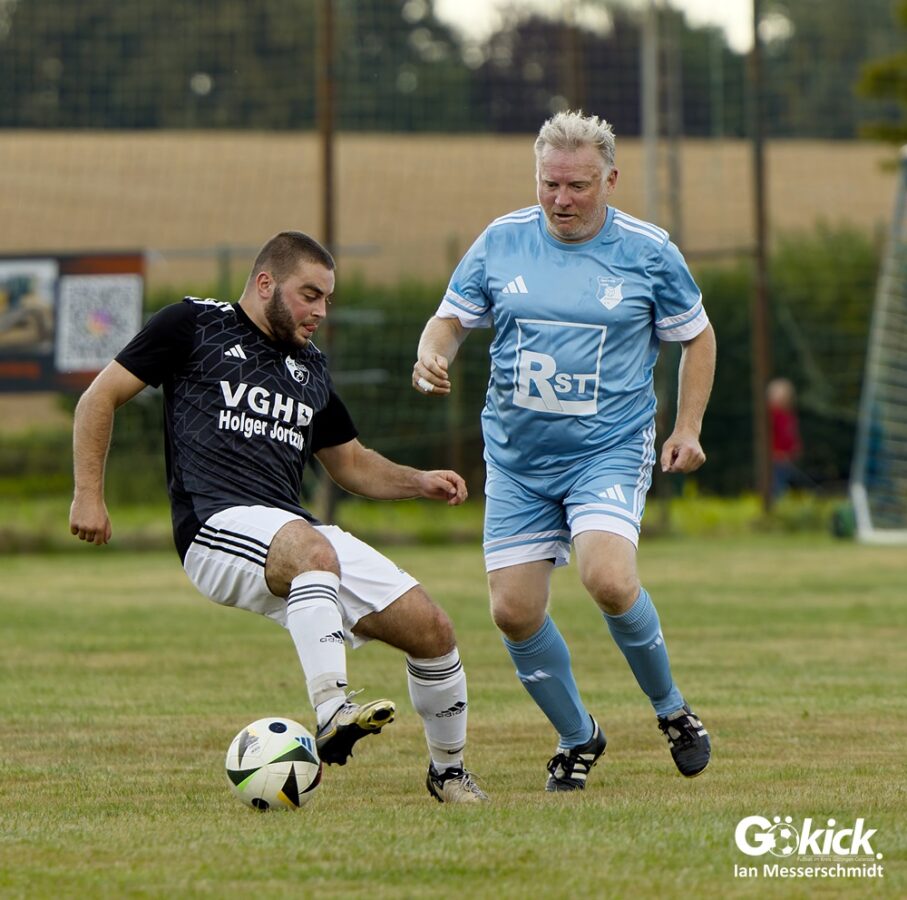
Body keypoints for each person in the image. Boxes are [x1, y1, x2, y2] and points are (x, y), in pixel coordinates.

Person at [69, 230, 487, 804]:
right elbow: (98, 397)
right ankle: (332, 710)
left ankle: (449, 773)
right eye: (309, 295)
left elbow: (350, 463)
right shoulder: (193, 323)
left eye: (328, 300)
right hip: (213, 524)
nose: (320, 311)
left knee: (432, 629)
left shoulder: (310, 365)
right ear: (265, 283)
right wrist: (88, 495)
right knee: (313, 551)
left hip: (292, 530)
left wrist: (419, 481)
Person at [413, 110, 716, 792]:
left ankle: (671, 710)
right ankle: (579, 737)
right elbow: (449, 320)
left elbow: (698, 336)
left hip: (606, 450)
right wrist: (431, 354)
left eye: (577, 185)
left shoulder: (648, 251)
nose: (561, 200)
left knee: (607, 578)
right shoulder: (502, 240)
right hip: (518, 461)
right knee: (513, 612)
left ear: (609, 179)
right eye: (549, 184)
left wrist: (687, 428)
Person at [767, 377, 803, 498]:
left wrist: (795, 448)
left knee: (783, 484)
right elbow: (770, 438)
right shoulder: (771, 416)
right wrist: (776, 452)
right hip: (776, 458)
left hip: (788, 459)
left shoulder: (789, 415)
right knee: (776, 485)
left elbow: (792, 435)